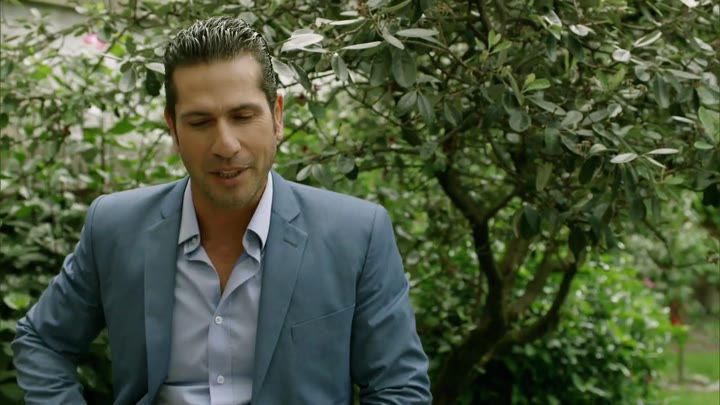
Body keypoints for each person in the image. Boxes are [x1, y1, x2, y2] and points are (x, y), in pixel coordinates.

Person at [11, 16, 432, 405]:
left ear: (277, 116)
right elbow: (42, 341)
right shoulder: (115, 227)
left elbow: (399, 388)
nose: (225, 145)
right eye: (200, 123)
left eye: (243, 116)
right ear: (173, 129)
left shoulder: (357, 235)